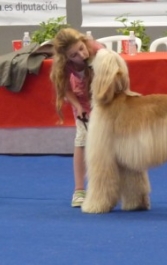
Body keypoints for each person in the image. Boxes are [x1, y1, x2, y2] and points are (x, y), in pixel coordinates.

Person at [49, 28, 104, 207]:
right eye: (74, 55)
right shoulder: (63, 65)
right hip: (81, 97)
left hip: (103, 97)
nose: (81, 55)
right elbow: (64, 88)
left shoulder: (98, 51)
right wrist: (79, 106)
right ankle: (79, 190)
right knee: (81, 140)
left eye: (81, 48)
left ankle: (107, 187)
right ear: (66, 58)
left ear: (83, 41)